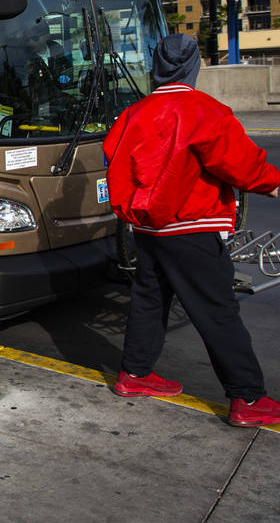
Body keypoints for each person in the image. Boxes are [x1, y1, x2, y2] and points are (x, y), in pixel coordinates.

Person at [104, 33, 280, 427]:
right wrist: (272, 182)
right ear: (193, 67)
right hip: (193, 226)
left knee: (150, 299)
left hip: (148, 228)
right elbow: (240, 165)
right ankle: (248, 397)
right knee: (217, 311)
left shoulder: (136, 112)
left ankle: (135, 374)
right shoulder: (204, 110)